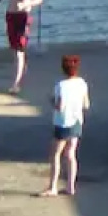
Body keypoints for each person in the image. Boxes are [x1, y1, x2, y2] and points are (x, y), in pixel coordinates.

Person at [41, 54, 89, 197]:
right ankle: (70, 186)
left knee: (56, 154)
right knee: (71, 154)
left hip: (62, 123)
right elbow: (86, 104)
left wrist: (51, 101)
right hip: (77, 122)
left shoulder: (60, 86)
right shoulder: (82, 83)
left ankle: (53, 187)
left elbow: (59, 107)